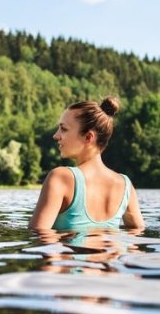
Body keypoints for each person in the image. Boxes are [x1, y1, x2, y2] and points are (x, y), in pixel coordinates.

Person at [29, 96, 144, 231]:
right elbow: (137, 234)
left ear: (88, 137)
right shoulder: (125, 185)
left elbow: (38, 235)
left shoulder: (60, 177)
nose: (56, 135)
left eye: (64, 129)